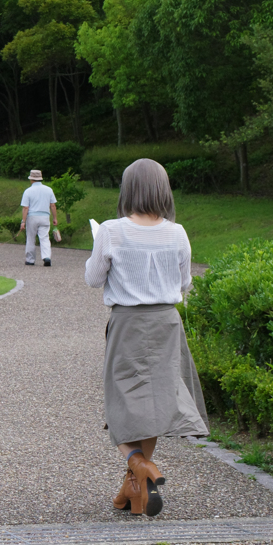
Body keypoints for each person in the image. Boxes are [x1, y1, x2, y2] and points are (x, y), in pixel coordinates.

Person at [85, 158, 208, 517]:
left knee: (120, 402)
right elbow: (184, 284)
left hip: (127, 323)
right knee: (152, 405)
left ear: (128, 189)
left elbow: (94, 279)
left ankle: (139, 465)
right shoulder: (178, 232)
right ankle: (136, 489)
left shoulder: (110, 230)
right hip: (167, 323)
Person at [19, 169, 58, 266]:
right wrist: (55, 218)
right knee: (44, 238)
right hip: (45, 216)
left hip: (32, 216)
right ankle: (46, 257)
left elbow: (25, 207)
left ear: (31, 179)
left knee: (31, 238)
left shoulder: (28, 191)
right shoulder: (49, 190)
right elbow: (53, 205)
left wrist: (23, 221)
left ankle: (30, 260)